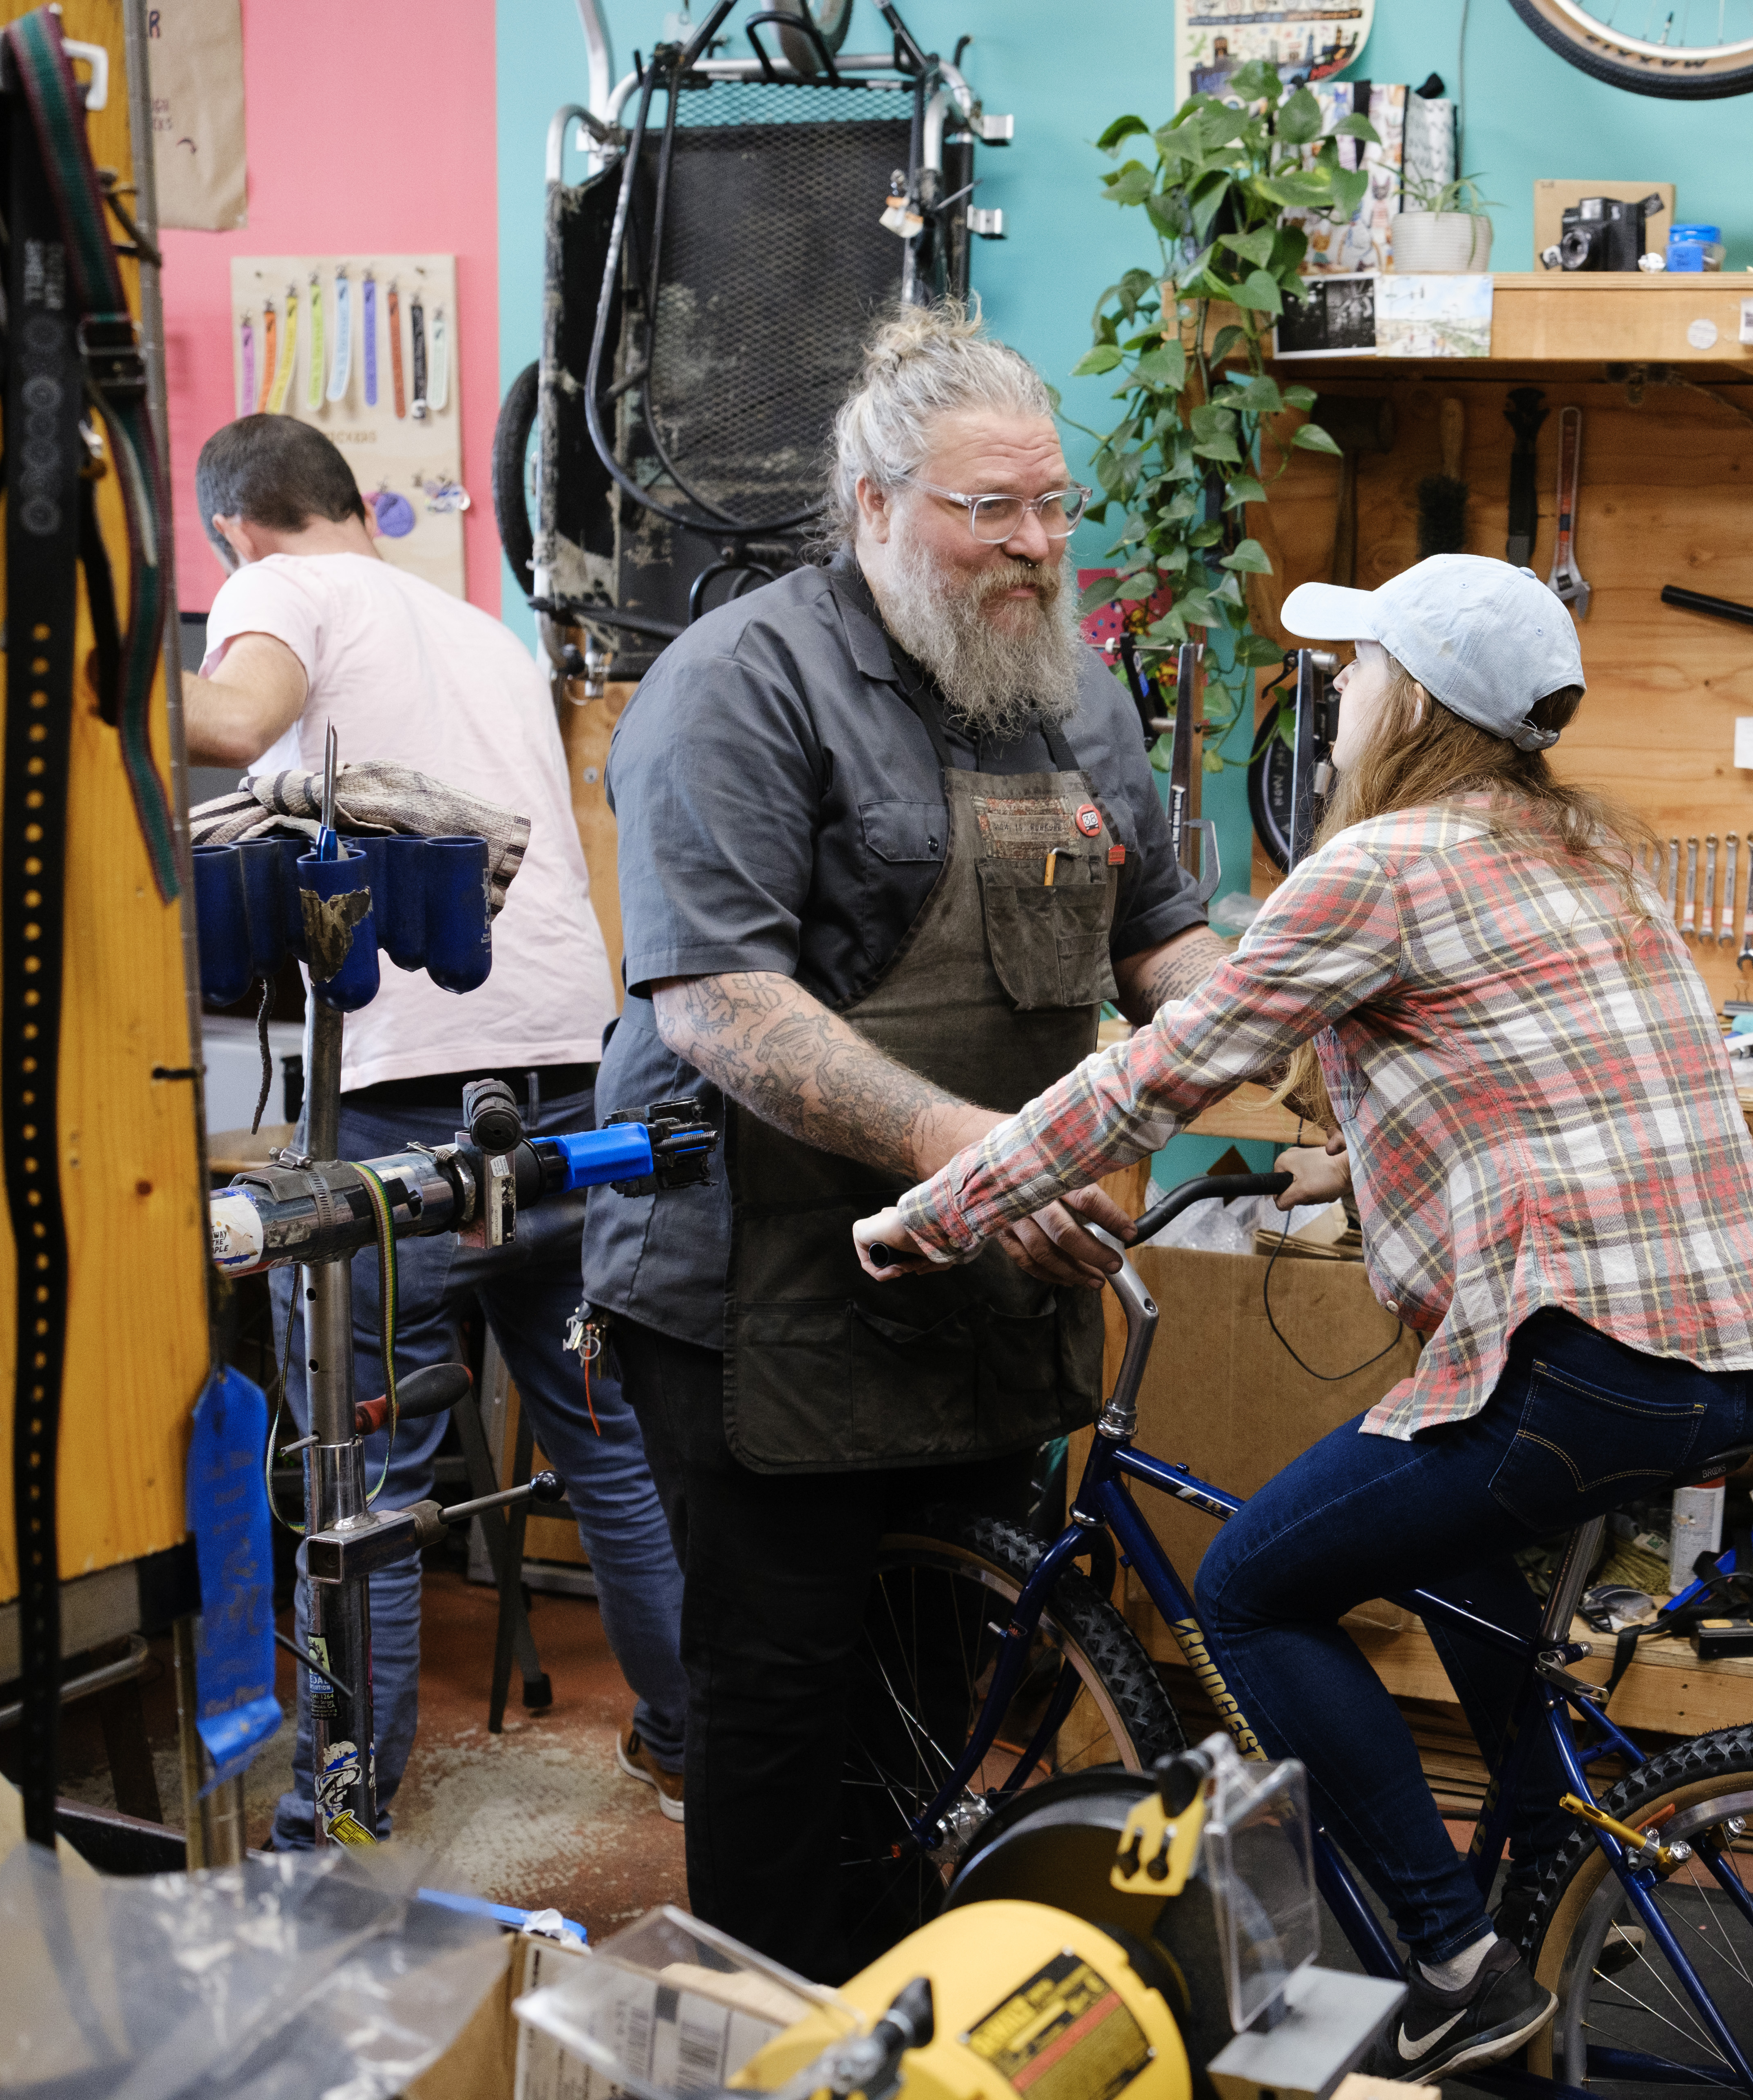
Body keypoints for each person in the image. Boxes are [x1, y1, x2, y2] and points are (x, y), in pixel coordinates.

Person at [855, 553, 1753, 2080]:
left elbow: (1153, 1078)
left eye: (1361, 670)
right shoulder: (1596, 859)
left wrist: (941, 1208)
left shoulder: (1382, 864)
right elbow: (1517, 1069)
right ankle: (1562, 1868)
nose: (1343, 694)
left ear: (1417, 703)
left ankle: (1455, 1963)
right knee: (1450, 1564)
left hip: (1581, 1361)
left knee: (1249, 1590)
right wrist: (1355, 1146)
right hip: (1741, 1359)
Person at [584, 302, 1223, 1981]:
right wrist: (984, 1161)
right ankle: (778, 2039)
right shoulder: (740, 684)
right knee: (787, 1708)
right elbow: (719, 1005)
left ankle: (921, 2029)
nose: (1034, 544)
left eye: (1054, 507)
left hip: (973, 1281)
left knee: (946, 1693)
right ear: (872, 503)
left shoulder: (1075, 699)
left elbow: (1167, 935)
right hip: (757, 1282)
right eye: (987, 509)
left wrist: (1264, 1019)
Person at [180, 413, 689, 1844]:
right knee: (612, 1446)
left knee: (369, 1483)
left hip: (401, 1115)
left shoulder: (285, 591)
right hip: (569, 1088)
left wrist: (61, 673)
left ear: (240, 532)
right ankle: (687, 1742)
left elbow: (226, 722)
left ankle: (338, 1826)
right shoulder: (479, 630)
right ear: (356, 502)